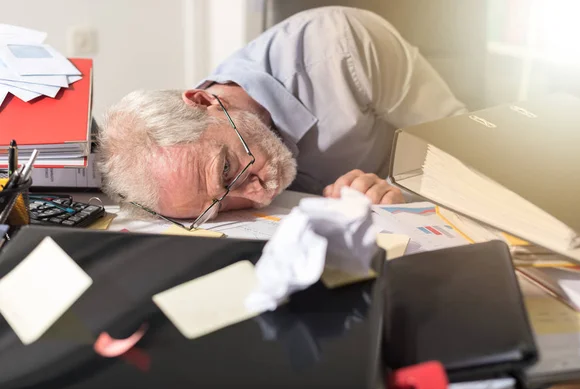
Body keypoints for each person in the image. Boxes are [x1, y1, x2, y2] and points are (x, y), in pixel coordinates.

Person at [98, 6, 466, 228]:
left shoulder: (342, 48)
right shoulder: (205, 155)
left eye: (227, 170)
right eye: (219, 207)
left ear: (204, 100)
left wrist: (396, 189)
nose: (257, 195)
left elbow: (466, 148)